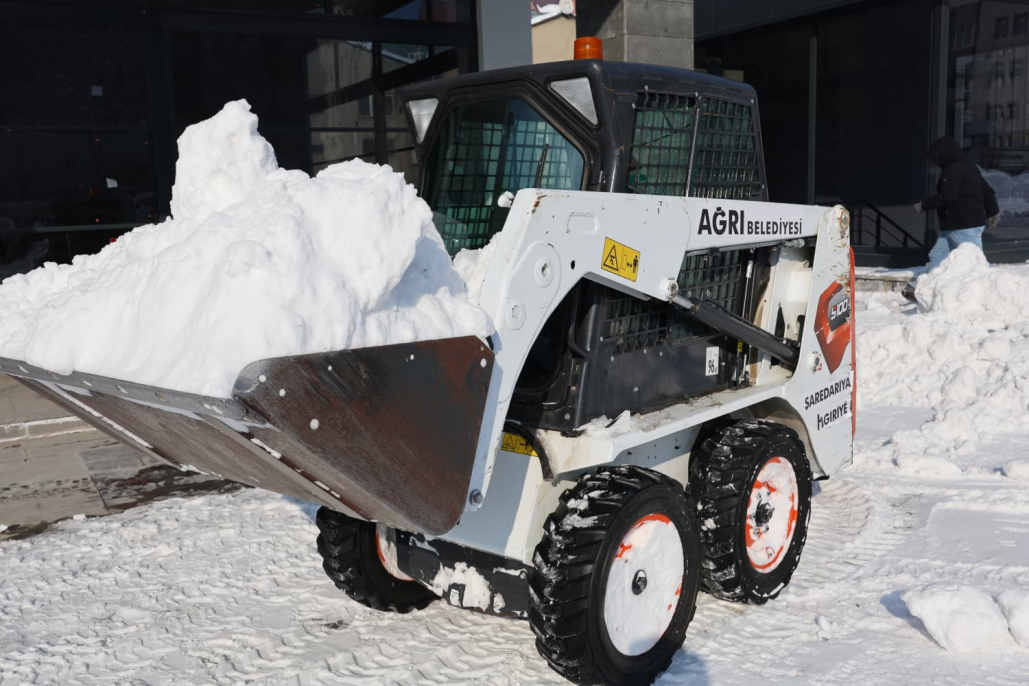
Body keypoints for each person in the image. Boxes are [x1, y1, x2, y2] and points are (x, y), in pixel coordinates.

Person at [904, 137, 1000, 298]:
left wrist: (923, 205)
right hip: (952, 226)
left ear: (943, 154)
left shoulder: (953, 169)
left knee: (975, 263)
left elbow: (946, 197)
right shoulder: (969, 166)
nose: (935, 162)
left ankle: (992, 295)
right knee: (937, 257)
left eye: (936, 158)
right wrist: (993, 211)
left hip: (964, 225)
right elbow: (987, 191)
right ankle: (924, 290)